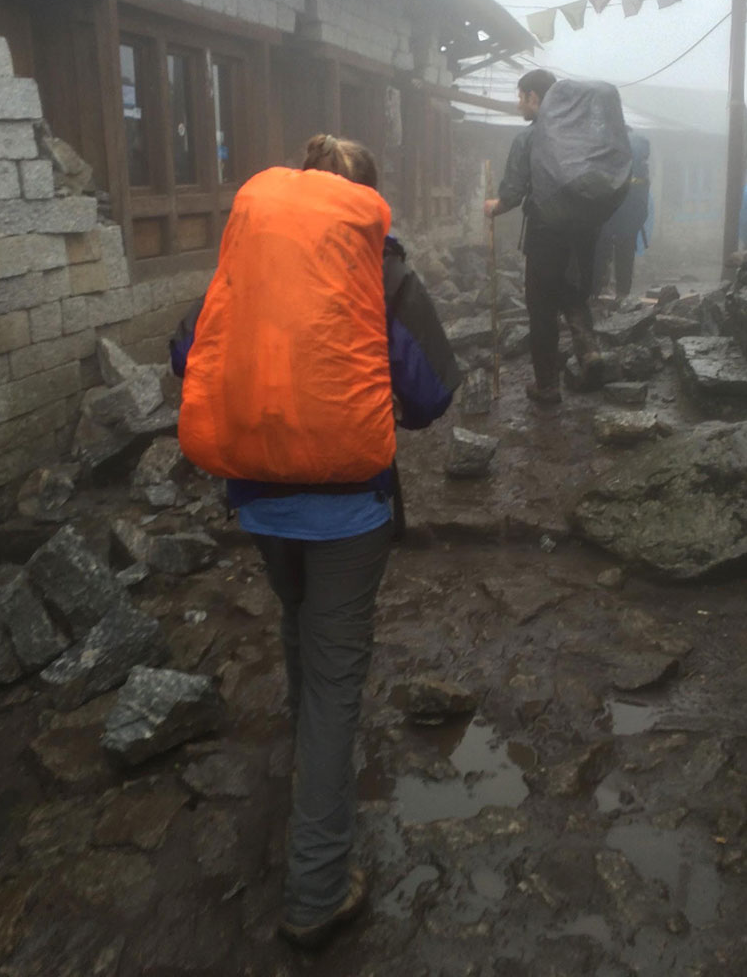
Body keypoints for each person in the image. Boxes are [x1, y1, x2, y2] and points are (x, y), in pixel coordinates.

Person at [176, 134, 459, 949]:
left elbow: (185, 353)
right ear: (368, 201)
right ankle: (318, 889)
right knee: (339, 678)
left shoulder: (247, 260)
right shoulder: (384, 268)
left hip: (260, 504)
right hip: (350, 511)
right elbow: (433, 391)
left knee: (297, 625)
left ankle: (307, 768)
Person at [484, 69, 607, 405]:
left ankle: (547, 386)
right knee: (572, 294)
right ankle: (589, 352)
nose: (518, 103)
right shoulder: (580, 135)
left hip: (546, 234)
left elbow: (513, 189)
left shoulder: (529, 138)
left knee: (541, 307)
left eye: (521, 96)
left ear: (534, 98)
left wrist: (495, 206)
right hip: (583, 234)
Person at [593, 126, 651, 300]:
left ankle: (595, 292)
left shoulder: (606, 145)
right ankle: (622, 294)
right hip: (632, 212)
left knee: (601, 252)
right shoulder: (640, 157)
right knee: (625, 254)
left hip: (608, 211)